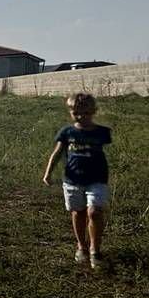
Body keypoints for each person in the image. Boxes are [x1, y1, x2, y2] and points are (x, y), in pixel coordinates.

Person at [42, 92, 112, 269]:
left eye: (86, 113)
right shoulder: (67, 132)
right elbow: (57, 153)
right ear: (70, 112)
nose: (81, 117)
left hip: (97, 179)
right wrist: (48, 173)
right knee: (78, 213)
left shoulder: (102, 132)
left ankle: (95, 250)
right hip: (72, 180)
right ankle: (82, 246)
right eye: (76, 113)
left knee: (95, 212)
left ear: (94, 111)